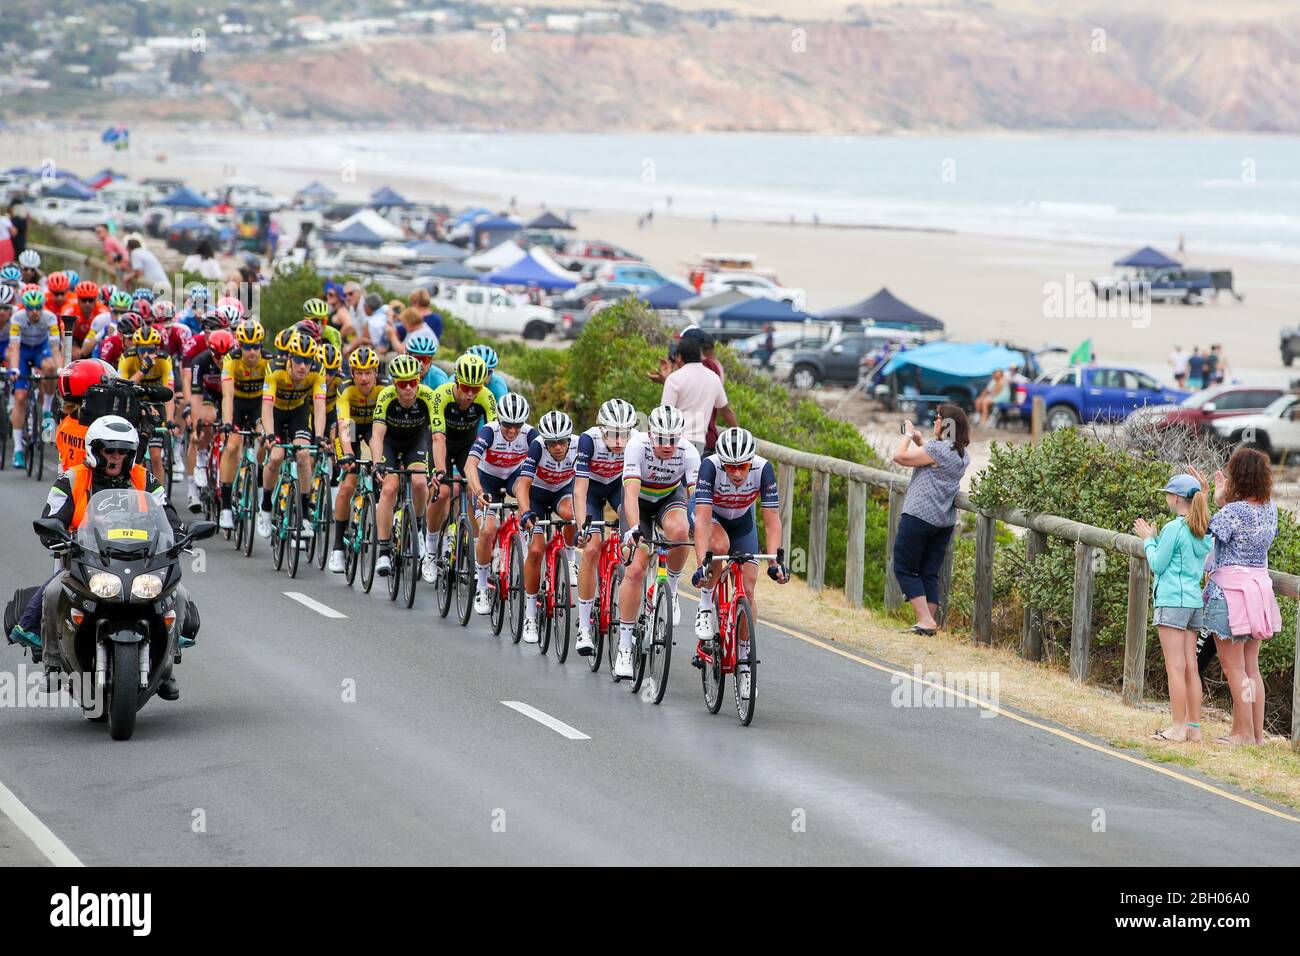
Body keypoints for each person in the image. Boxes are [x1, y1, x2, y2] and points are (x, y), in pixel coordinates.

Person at [8, 417, 193, 701]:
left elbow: (168, 514)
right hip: (84, 560)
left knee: (178, 594)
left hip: (142, 561)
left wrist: (180, 534)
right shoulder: (71, 478)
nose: (115, 457)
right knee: (54, 591)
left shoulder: (145, 479)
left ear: (131, 454)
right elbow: (52, 516)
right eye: (109, 450)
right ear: (95, 450)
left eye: (121, 451)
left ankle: (167, 666)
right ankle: (53, 663)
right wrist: (54, 533)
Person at [690, 427, 788, 701]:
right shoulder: (710, 467)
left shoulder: (763, 469)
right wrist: (701, 564)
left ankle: (744, 659)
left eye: (742, 467)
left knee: (749, 586)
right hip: (711, 519)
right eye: (731, 467)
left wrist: (775, 561)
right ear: (722, 462)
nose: (736, 474)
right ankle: (706, 604)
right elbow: (701, 520)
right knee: (719, 547)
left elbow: (771, 521)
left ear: (751, 462)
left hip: (743, 523)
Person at [1190, 451, 1280, 746]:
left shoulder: (1232, 512)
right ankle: (1255, 734)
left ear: (1236, 478)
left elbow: (1202, 530)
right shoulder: (1271, 510)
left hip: (1229, 594)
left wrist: (1205, 496)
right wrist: (1222, 500)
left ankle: (1240, 732)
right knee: (1251, 667)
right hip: (1259, 593)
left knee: (1234, 668)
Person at [616, 405, 699, 678]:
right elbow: (629, 494)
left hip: (667, 498)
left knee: (680, 531)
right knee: (637, 568)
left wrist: (700, 528)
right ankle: (625, 647)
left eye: (673, 439)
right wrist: (635, 530)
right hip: (638, 501)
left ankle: (672, 588)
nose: (667, 445)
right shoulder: (636, 446)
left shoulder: (689, 452)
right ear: (650, 434)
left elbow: (696, 499)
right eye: (661, 438)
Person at [1133, 474, 1213, 744]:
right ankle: (1193, 727)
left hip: (1172, 602)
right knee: (1191, 666)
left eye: (1168, 494)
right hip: (1193, 603)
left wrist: (1148, 539)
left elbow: (1157, 563)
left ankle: (1177, 728)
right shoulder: (1202, 529)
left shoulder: (1173, 528)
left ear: (1177, 498)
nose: (1166, 498)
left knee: (1175, 668)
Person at [891, 403, 971, 635]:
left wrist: (906, 436)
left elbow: (899, 457)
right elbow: (934, 458)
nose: (935, 421)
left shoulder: (937, 450)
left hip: (919, 516)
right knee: (929, 572)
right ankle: (928, 623)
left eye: (938, 418)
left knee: (904, 567)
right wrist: (918, 440)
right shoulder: (962, 455)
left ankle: (925, 620)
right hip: (943, 522)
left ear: (947, 425)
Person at [572, 398, 639, 655]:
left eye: (624, 434)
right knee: (591, 548)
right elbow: (579, 491)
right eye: (613, 434)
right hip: (591, 490)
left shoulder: (636, 441)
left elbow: (634, 494)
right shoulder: (588, 441)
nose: (619, 441)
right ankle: (585, 626)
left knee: (630, 547)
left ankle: (626, 620)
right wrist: (582, 528)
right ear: (602, 429)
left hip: (616, 488)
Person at [426, 354, 498, 573]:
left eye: (475, 389)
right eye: (466, 388)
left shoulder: (486, 396)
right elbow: (438, 438)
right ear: (456, 381)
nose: (469, 395)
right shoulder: (441, 395)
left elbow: (493, 438)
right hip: (443, 444)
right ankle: (429, 551)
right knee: (445, 491)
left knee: (474, 493)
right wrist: (440, 471)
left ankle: (479, 557)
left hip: (468, 446)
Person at [515, 411, 580, 644]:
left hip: (562, 492)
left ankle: (571, 559)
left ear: (569, 439)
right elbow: (522, 485)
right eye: (553, 443)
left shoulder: (579, 445)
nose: (558, 447)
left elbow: (586, 482)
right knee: (535, 550)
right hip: (538, 496)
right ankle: (530, 615)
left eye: (562, 441)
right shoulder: (536, 447)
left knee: (572, 516)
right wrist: (526, 512)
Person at [463, 392, 535, 597]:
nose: (512, 430)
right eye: (507, 425)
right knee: (487, 531)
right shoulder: (489, 431)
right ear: (498, 420)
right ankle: (482, 587)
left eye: (517, 426)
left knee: (526, 500)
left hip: (514, 477)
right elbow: (470, 465)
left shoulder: (530, 434)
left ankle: (523, 548)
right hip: (487, 480)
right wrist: (478, 492)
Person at [369, 353, 435, 577]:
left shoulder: (428, 396)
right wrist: (377, 462)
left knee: (419, 482)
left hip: (415, 443)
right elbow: (377, 434)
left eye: (413, 382)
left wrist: (436, 467)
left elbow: (437, 435)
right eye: (403, 384)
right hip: (390, 443)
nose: (409, 389)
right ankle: (384, 550)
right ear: (394, 384)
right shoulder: (386, 397)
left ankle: (416, 528)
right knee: (388, 489)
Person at [257, 330, 327, 539]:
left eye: (307, 360)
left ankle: (305, 516)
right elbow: (267, 407)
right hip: (276, 414)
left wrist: (320, 436)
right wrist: (269, 435)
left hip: (298, 412)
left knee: (304, 455)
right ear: (289, 358)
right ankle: (266, 506)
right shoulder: (275, 369)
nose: (303, 366)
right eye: (298, 360)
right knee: (276, 456)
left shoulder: (318, 370)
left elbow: (320, 406)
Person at [327, 347, 384, 572]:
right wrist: (348, 454)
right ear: (351, 373)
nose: (363, 378)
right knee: (348, 483)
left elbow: (381, 430)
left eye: (368, 372)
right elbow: (344, 425)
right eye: (359, 372)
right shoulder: (345, 389)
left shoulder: (384, 387)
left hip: (373, 428)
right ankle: (338, 547)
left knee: (380, 469)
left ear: (375, 371)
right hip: (349, 427)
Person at [217, 319, 270, 530]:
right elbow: (227, 396)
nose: (252, 352)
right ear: (240, 346)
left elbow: (269, 399)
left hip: (258, 405)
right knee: (231, 447)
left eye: (256, 346)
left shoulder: (268, 360)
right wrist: (228, 423)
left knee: (265, 441)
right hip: (237, 404)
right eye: (247, 347)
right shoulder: (231, 360)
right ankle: (226, 507)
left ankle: (258, 484)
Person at [7, 286, 63, 470]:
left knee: (50, 367)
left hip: (41, 349)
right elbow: (14, 347)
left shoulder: (50, 318)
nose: (34, 312)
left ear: (42, 306)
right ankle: (18, 449)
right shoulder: (17, 318)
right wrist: (14, 369)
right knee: (20, 398)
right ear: (25, 308)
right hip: (23, 352)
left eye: (38, 307)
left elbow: (55, 348)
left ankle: (46, 408)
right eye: (31, 308)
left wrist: (61, 368)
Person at [661, 334, 736, 456]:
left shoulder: (674, 379)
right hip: (699, 445)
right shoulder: (713, 377)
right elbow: (726, 410)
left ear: (679, 357)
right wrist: (737, 434)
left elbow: (665, 414)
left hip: (675, 444)